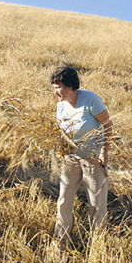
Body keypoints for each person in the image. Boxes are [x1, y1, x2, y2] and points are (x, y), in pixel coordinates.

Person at [50, 65, 113, 248]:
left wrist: (103, 152)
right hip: (70, 158)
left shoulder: (90, 99)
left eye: (57, 87)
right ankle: (61, 241)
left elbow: (107, 125)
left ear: (69, 86)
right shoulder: (60, 107)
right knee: (63, 200)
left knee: (96, 204)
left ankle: (97, 245)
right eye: (54, 87)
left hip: (93, 158)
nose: (55, 92)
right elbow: (63, 134)